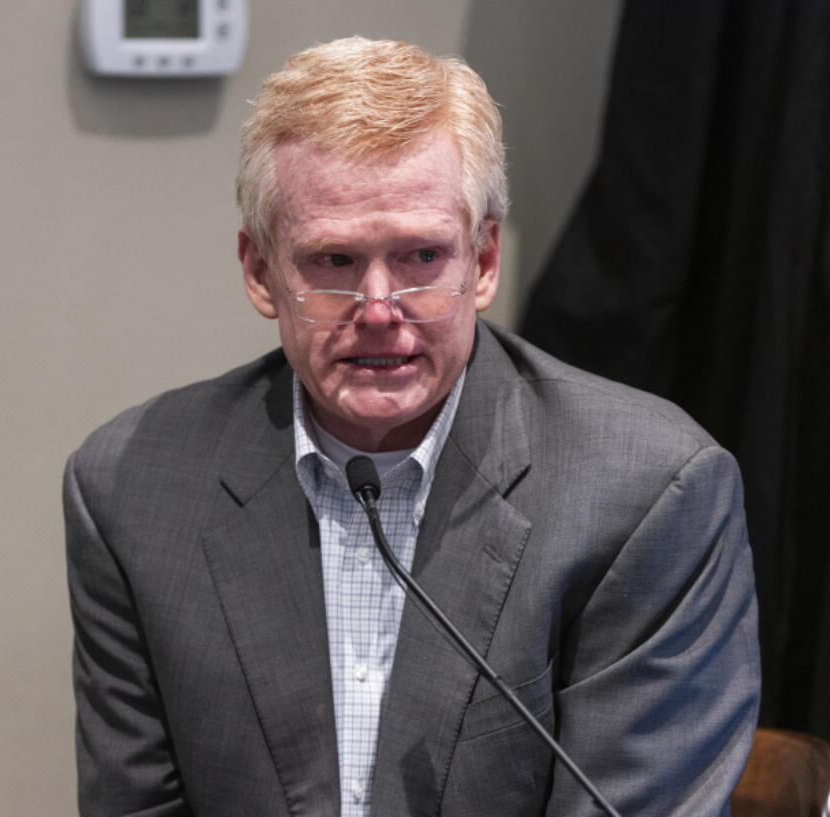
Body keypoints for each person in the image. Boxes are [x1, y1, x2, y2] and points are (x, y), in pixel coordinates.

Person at [64, 37, 759, 817]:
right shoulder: (135, 487)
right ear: (260, 272)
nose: (380, 311)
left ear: (485, 260)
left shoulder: (647, 491)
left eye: (423, 255)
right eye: (333, 261)